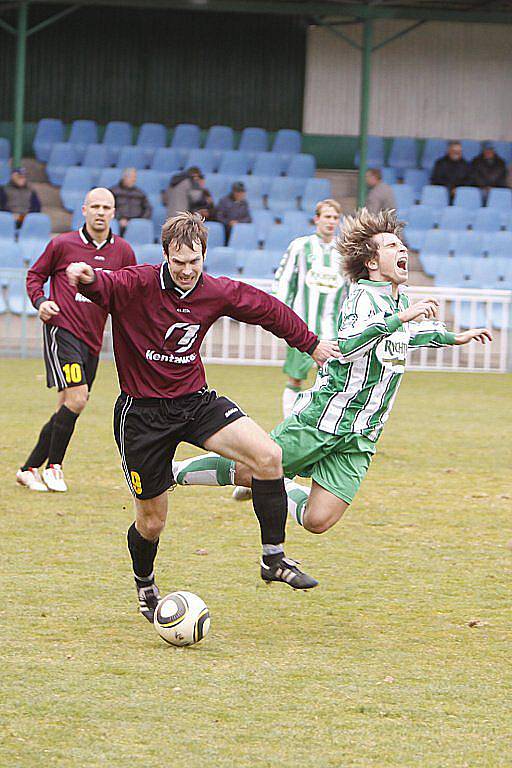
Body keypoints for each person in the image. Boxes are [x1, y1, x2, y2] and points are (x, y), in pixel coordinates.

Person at [66, 212, 341, 622]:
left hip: (194, 403)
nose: (187, 271)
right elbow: (103, 285)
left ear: (204, 256)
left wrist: (312, 345)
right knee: (152, 523)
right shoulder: (137, 283)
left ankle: (273, 558)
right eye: (179, 262)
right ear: (165, 257)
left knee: (268, 456)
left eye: (194, 261)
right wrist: (85, 276)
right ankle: (145, 584)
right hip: (141, 417)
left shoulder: (214, 290)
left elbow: (267, 309)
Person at [171, 208, 492, 541]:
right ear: (371, 262)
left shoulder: (401, 303)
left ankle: (278, 481)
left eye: (402, 245)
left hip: (361, 433)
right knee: (249, 470)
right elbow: (351, 345)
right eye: (392, 246)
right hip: (324, 420)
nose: (402, 251)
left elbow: (408, 335)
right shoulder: (361, 298)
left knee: (317, 520)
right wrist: (401, 320)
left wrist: (452, 336)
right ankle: (173, 472)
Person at [17, 188, 136, 493]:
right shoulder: (62, 244)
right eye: (94, 206)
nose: (100, 211)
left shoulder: (123, 251)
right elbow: (35, 276)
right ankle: (54, 467)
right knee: (78, 398)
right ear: (83, 210)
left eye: (106, 207)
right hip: (62, 329)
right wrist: (41, 301)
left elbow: (129, 291)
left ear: (114, 212)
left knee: (68, 405)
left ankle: (28, 469)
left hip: (93, 339)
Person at [273, 198, 348, 420]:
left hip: (332, 330)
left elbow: (351, 290)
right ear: (317, 219)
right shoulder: (300, 246)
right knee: (296, 378)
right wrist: (280, 318)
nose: (331, 222)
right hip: (302, 329)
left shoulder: (345, 252)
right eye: (327, 216)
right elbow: (284, 282)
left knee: (331, 380)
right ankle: (289, 423)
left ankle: (321, 425)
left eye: (335, 218)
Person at [109, 168, 152, 235]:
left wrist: (140, 221)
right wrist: (119, 219)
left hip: (136, 225)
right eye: (131, 177)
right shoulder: (113, 191)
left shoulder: (140, 193)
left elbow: (148, 208)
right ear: (124, 177)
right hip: (119, 224)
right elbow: (109, 207)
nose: (134, 180)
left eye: (135, 177)